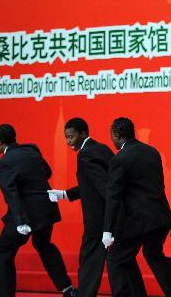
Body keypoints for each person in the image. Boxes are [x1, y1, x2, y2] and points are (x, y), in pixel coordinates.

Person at [102, 117, 171, 297]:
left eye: (112, 137)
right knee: (154, 255)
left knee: (116, 259)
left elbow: (113, 196)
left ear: (117, 136)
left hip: (138, 220)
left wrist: (107, 230)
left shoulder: (120, 159)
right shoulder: (152, 152)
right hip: (160, 217)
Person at [0, 124, 76, 297]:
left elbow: (11, 194)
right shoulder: (31, 151)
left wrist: (20, 221)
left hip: (26, 214)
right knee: (44, 245)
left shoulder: (3, 163)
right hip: (46, 208)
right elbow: (47, 172)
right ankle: (68, 290)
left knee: (2, 252)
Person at [47, 117, 120, 297]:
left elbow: (104, 188)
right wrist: (65, 194)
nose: (68, 141)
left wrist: (108, 224)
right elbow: (91, 185)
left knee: (90, 260)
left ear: (83, 133)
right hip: (111, 216)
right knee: (117, 261)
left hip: (99, 220)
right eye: (65, 137)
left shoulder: (86, 154)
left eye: (71, 136)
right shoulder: (101, 149)